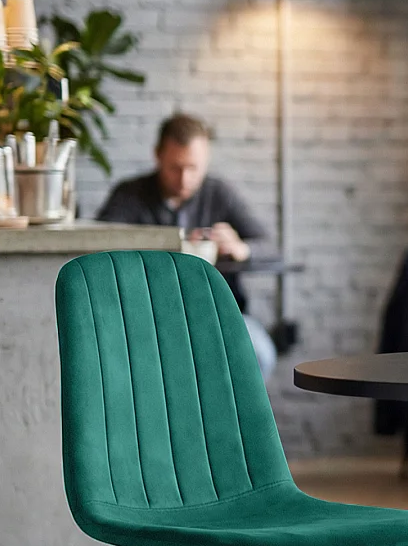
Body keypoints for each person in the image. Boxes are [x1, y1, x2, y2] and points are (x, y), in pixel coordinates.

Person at [96, 114, 278, 379]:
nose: (184, 179)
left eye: (193, 168)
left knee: (260, 353)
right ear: (158, 156)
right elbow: (99, 248)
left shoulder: (219, 194)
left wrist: (242, 248)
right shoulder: (130, 196)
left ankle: (228, 420)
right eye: (175, 168)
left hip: (219, 315)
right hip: (147, 317)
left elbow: (270, 247)